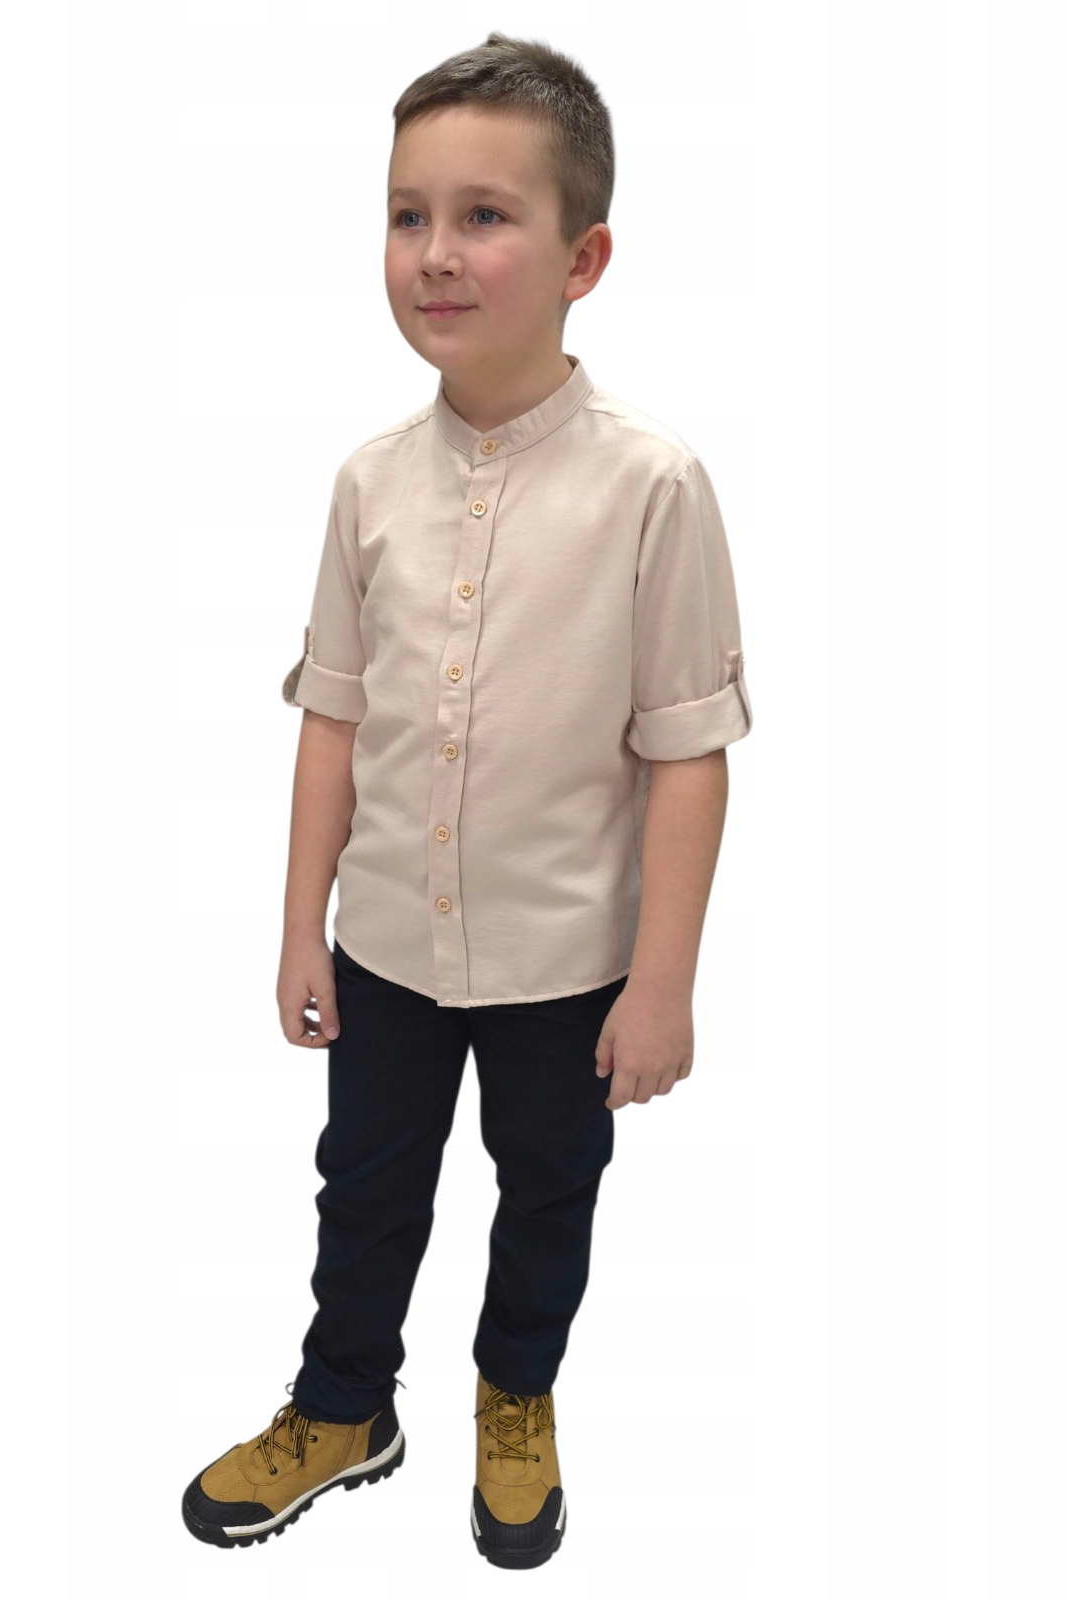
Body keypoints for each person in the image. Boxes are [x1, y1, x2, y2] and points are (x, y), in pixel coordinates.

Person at [181, 31, 753, 1569]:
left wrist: (664, 984)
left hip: (568, 963)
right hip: (386, 944)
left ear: (585, 258)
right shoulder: (367, 485)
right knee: (364, 1185)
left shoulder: (653, 487)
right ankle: (343, 1405)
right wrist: (299, 930)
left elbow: (687, 751)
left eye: (485, 216)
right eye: (407, 215)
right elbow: (333, 720)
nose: (435, 253)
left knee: (548, 1188)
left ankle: (516, 1398)